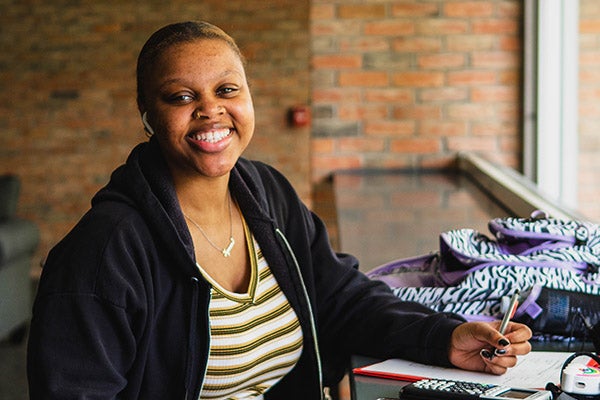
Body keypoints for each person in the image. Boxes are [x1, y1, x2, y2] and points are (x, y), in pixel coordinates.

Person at [27, 21, 533, 400]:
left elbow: (340, 299)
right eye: (181, 97)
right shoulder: (103, 253)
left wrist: (443, 337)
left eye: (227, 90)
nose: (210, 110)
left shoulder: (265, 192)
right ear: (148, 116)